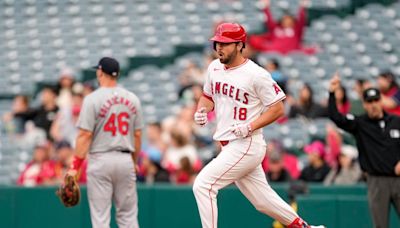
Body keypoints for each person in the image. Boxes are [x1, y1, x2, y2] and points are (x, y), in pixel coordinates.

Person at [192, 22, 324, 228]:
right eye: (217, 43)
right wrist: (202, 110)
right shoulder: (214, 67)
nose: (219, 47)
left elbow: (278, 108)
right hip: (229, 145)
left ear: (239, 45)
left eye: (225, 43)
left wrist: (250, 126)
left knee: (203, 185)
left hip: (246, 143)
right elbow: (207, 97)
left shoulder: (256, 74)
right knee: (263, 201)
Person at [66, 57, 144, 228]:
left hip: (100, 159)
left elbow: (85, 135)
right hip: (125, 159)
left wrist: (75, 166)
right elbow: (137, 135)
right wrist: (134, 161)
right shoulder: (132, 98)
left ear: (100, 72)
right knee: (128, 217)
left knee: (100, 217)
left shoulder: (92, 99)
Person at [328, 72, 400, 228]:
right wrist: (332, 93)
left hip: (398, 179)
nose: (373, 104)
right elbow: (336, 117)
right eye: (369, 101)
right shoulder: (360, 123)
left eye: (376, 100)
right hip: (377, 181)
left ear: (381, 101)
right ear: (364, 104)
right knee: (380, 225)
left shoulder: (396, 121)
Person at [249, 0, 316, 55]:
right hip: (274, 52)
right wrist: (266, 7)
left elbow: (301, 21)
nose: (286, 22)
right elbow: (269, 21)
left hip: (291, 53)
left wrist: (302, 7)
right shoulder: (275, 29)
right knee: (253, 39)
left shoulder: (296, 30)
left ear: (293, 21)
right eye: (285, 20)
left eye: (289, 20)